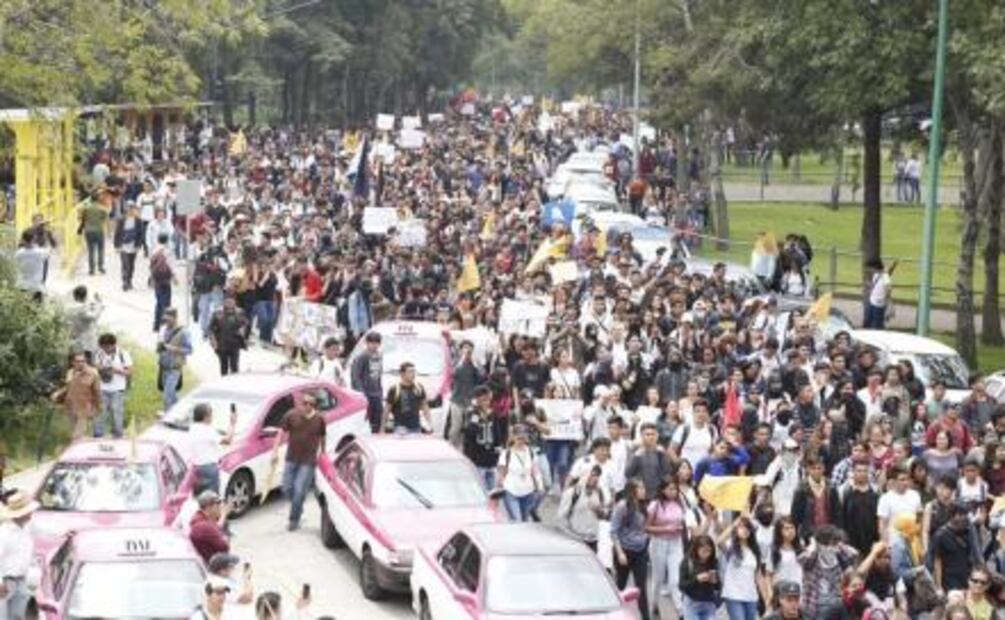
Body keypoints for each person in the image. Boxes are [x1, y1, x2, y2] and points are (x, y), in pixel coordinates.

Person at [270, 393, 326, 531]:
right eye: (305, 403)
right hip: (291, 458)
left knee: (299, 490)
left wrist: (323, 453)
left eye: (311, 404)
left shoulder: (320, 419)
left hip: (308, 461)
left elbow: (323, 436)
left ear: (315, 406)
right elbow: (281, 433)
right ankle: (298, 507)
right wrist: (275, 451)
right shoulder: (291, 415)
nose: (307, 406)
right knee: (286, 488)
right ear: (301, 403)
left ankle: (294, 520)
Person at [611, 479, 651, 620]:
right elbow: (613, 531)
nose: (643, 491)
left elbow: (643, 527)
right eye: (640, 488)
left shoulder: (643, 506)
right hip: (624, 550)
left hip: (640, 551)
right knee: (620, 586)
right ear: (632, 490)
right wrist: (620, 552)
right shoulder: (622, 506)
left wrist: (646, 538)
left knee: (641, 588)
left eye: (643, 488)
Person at [646, 476, 686, 615]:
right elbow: (646, 527)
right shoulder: (655, 505)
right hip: (659, 543)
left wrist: (680, 528)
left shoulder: (680, 503)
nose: (674, 491)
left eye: (675, 488)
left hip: (676, 542)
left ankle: (680, 611)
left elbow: (683, 520)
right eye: (670, 489)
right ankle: (654, 604)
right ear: (663, 490)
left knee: (675, 579)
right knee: (658, 578)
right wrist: (665, 529)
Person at [718, 515, 767, 620]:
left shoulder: (754, 551)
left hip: (751, 596)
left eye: (747, 527)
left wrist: (767, 600)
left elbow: (759, 577)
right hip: (733, 595)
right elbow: (719, 541)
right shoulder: (732, 547)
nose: (744, 530)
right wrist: (734, 524)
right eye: (741, 527)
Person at [0, 491, 39, 620]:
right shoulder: (4, 534)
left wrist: (64, 532)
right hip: (6, 583)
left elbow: (45, 529)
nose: (30, 514)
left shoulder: (27, 527)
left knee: (19, 616)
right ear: (20, 514)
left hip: (22, 581)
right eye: (28, 511)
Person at [462, 385, 506, 491]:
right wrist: (477, 416)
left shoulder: (492, 414)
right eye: (483, 400)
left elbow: (497, 434)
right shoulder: (472, 413)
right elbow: (470, 432)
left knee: (492, 489)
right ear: (477, 400)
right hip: (477, 458)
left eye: (488, 400)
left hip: (491, 459)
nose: (486, 403)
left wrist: (498, 450)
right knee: (479, 488)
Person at [51, 351, 102, 439]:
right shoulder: (70, 372)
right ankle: (83, 450)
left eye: (83, 361)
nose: (81, 363)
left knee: (77, 436)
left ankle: (78, 447)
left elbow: (97, 391)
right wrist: (57, 393)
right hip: (70, 406)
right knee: (75, 434)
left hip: (85, 407)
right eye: (78, 361)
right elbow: (67, 387)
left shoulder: (93, 373)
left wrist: (97, 406)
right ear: (73, 362)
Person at [557, 464, 608, 550]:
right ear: (584, 475)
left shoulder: (600, 492)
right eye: (592, 475)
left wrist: (599, 510)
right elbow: (560, 518)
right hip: (575, 541)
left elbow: (605, 516)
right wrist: (572, 537)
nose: (595, 478)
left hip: (593, 541)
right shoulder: (572, 493)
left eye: (597, 476)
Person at [932, 502, 979, 593]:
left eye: (966, 514)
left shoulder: (967, 531)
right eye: (962, 514)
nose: (965, 518)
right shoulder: (940, 535)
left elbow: (973, 556)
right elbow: (937, 562)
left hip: (967, 578)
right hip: (950, 581)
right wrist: (938, 586)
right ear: (953, 516)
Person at [497, 425, 541, 522]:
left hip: (528, 491)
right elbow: (501, 474)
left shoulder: (531, 452)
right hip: (511, 491)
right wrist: (499, 488)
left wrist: (539, 486)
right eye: (518, 438)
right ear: (513, 437)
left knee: (524, 521)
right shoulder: (506, 454)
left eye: (523, 438)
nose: (521, 441)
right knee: (517, 520)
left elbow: (535, 471)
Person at [190, 403, 237, 494]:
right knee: (212, 498)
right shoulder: (207, 430)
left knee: (201, 497)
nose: (212, 417)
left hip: (196, 468)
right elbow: (227, 440)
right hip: (209, 468)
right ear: (205, 417)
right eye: (211, 415)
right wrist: (232, 424)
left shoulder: (192, 429)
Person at [92, 333, 132, 438]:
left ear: (114, 344)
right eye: (103, 347)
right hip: (102, 387)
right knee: (100, 412)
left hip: (118, 389)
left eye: (107, 347)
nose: (106, 349)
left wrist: (116, 369)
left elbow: (130, 372)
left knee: (116, 412)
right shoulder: (99, 353)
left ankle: (118, 435)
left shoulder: (123, 354)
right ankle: (98, 435)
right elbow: (96, 367)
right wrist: (101, 368)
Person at [447, 340, 483, 448]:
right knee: (455, 427)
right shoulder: (457, 361)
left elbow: (482, 376)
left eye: (470, 348)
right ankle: (451, 447)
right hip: (457, 400)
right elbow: (453, 374)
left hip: (471, 401)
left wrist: (474, 363)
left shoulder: (475, 362)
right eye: (465, 348)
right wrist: (462, 360)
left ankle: (466, 449)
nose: (467, 350)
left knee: (469, 426)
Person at [679, 534, 722, 619]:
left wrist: (715, 581)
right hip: (691, 602)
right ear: (697, 549)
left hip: (709, 602)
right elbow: (681, 585)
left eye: (709, 551)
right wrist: (697, 579)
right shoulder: (687, 562)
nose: (706, 554)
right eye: (703, 551)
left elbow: (718, 586)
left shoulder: (713, 561)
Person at [626, 423, 673, 499]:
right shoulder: (635, 451)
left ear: (657, 436)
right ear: (642, 436)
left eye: (653, 434)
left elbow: (667, 472)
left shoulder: (660, 452)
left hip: (657, 495)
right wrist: (636, 457)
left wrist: (664, 455)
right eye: (647, 434)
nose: (651, 437)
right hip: (639, 495)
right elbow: (627, 474)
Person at [157, 308, 192, 410]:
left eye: (169, 319)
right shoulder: (164, 329)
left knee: (167, 397)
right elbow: (162, 345)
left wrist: (172, 348)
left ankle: (168, 419)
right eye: (165, 318)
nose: (166, 321)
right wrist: (160, 348)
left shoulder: (184, 332)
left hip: (174, 368)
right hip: (163, 367)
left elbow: (189, 350)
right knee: (172, 396)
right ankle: (182, 413)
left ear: (175, 318)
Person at [383, 362, 431, 433]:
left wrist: (429, 423)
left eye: (413, 371)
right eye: (410, 372)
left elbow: (424, 406)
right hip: (400, 427)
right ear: (402, 374)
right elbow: (387, 409)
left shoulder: (418, 388)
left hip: (415, 426)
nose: (413, 374)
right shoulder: (395, 389)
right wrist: (382, 427)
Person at [350, 332, 384, 433]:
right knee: (366, 421)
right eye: (371, 343)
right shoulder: (362, 357)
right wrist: (361, 394)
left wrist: (380, 391)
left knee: (377, 420)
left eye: (376, 343)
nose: (374, 345)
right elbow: (355, 377)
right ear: (367, 343)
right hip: (366, 394)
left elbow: (378, 375)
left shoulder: (378, 356)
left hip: (376, 394)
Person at [208, 294, 249, 376]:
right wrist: (214, 342)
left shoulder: (239, 312)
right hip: (222, 343)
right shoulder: (218, 313)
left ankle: (234, 385)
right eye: (228, 301)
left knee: (234, 366)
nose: (230, 303)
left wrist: (243, 331)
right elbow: (210, 329)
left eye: (232, 301)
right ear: (224, 302)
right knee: (224, 367)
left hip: (235, 343)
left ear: (235, 302)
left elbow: (246, 324)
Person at [189, 491, 231, 564]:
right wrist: (225, 536)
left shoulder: (199, 518)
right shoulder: (204, 526)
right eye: (217, 504)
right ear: (208, 507)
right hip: (210, 565)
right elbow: (225, 547)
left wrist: (222, 516)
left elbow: (215, 529)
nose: (220, 507)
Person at [66, 285, 104, 361]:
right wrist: (99, 303)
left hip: (73, 340)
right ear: (85, 296)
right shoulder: (81, 309)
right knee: (86, 363)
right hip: (86, 343)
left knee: (72, 364)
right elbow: (94, 317)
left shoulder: (69, 307)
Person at [150, 232, 176, 332]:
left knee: (158, 302)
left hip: (157, 280)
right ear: (167, 240)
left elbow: (151, 265)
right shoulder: (167, 251)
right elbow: (171, 265)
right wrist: (174, 277)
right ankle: (165, 324)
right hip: (165, 280)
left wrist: (152, 278)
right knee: (166, 303)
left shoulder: (154, 250)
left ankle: (156, 325)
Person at [112, 202, 142, 290]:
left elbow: (140, 234)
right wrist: (116, 245)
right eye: (129, 208)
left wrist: (139, 245)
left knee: (131, 265)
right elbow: (117, 233)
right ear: (126, 210)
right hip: (123, 246)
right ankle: (125, 281)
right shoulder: (122, 220)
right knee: (125, 264)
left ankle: (129, 281)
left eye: (132, 208)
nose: (131, 210)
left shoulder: (138, 221)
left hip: (133, 246)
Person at [79, 189, 110, 275]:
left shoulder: (86, 208)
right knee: (100, 249)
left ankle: (91, 269)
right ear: (98, 199)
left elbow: (82, 218)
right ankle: (100, 267)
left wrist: (81, 228)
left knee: (91, 250)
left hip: (88, 231)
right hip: (99, 230)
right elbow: (105, 220)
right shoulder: (102, 208)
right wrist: (109, 232)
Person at [13, 230, 48, 301]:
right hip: (36, 287)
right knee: (37, 310)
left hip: (22, 285)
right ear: (34, 239)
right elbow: (48, 252)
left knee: (22, 310)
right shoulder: (41, 252)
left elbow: (16, 262)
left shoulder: (19, 253)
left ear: (22, 240)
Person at [864, 260, 897, 330]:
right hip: (872, 302)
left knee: (876, 326)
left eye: (871, 269)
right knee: (868, 322)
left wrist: (889, 304)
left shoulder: (885, 277)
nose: (870, 271)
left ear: (875, 268)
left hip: (879, 305)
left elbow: (888, 290)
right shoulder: (876, 275)